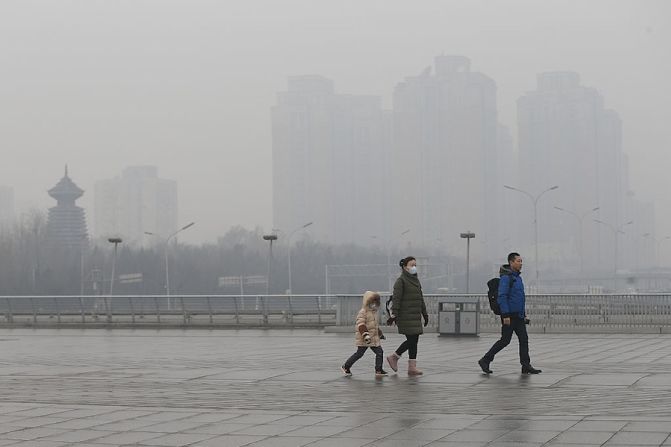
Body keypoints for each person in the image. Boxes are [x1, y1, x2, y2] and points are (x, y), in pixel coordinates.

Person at [478, 252, 542, 375]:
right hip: (509, 316)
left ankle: (526, 365)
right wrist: (505, 315)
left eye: (521, 261)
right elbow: (502, 296)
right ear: (511, 262)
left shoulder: (518, 278)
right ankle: (485, 360)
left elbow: (519, 298)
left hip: (518, 315)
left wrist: (523, 314)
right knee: (505, 340)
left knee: (524, 339)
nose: (520, 263)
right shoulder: (506, 278)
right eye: (518, 261)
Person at [386, 256, 428, 376]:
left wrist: (424, 313)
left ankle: (411, 367)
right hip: (405, 316)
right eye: (411, 265)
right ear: (405, 267)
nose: (414, 267)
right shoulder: (401, 281)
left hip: (415, 316)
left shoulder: (416, 280)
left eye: (415, 265)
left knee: (414, 340)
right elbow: (396, 299)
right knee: (411, 340)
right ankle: (395, 357)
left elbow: (420, 298)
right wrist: (394, 315)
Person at [341, 291, 388, 377]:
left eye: (375, 302)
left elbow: (375, 326)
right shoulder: (363, 312)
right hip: (364, 338)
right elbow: (360, 324)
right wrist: (365, 335)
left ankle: (378, 370)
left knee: (380, 352)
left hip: (373, 338)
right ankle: (346, 366)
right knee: (359, 354)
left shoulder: (374, 312)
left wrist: (380, 335)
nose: (374, 304)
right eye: (372, 302)